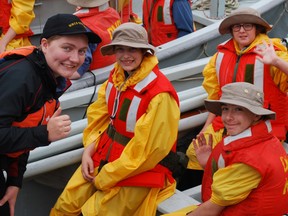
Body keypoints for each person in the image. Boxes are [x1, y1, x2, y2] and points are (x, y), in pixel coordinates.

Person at [50, 22, 181, 216]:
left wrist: (108, 176)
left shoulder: (160, 94)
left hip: (139, 171)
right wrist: (88, 150)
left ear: (145, 52)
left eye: (132, 49)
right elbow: (98, 118)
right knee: (65, 206)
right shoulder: (116, 78)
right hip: (103, 155)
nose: (125, 55)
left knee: (95, 213)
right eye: (120, 49)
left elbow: (148, 151)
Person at [0, 13, 101, 216]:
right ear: (45, 45)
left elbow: (22, 125)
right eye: (67, 48)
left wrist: (14, 181)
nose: (75, 59)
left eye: (82, 51)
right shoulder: (22, 78)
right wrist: (44, 133)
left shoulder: (46, 76)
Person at [186, 7, 288, 172]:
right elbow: (216, 96)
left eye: (248, 26)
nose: (242, 30)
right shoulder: (220, 56)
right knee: (194, 152)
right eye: (237, 26)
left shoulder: (272, 52)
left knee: (238, 160)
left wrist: (276, 61)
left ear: (257, 28)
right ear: (231, 31)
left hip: (262, 126)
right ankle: (208, 186)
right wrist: (206, 127)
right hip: (227, 122)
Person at [163, 82, 288, 216]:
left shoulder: (249, 161)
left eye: (238, 109)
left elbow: (211, 209)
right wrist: (208, 164)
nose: (228, 117)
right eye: (225, 109)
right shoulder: (265, 140)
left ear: (256, 115)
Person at [67, 0, 121, 80]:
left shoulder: (84, 27)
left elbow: (82, 65)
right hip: (114, 68)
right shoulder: (112, 12)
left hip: (94, 78)